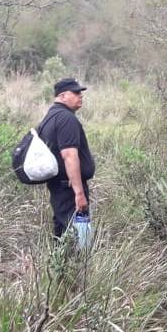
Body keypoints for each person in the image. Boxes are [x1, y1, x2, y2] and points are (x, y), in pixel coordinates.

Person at [40, 77, 96, 237]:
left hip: (60, 186)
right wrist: (79, 193)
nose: (81, 96)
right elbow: (69, 155)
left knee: (62, 229)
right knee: (76, 235)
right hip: (69, 187)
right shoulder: (66, 118)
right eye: (76, 92)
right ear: (62, 96)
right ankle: (76, 261)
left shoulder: (51, 116)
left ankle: (60, 261)